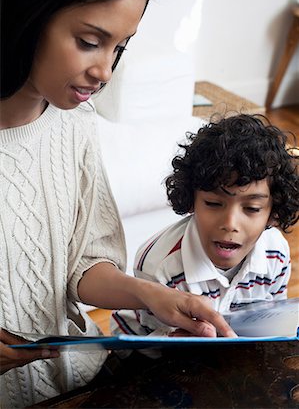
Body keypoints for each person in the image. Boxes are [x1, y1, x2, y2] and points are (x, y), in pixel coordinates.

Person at [0, 0, 236, 407]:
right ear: (27, 13)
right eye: (90, 42)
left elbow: (83, 265)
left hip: (82, 378)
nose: (105, 71)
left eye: (119, 48)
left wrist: (151, 295)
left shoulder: (75, 126)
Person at [111, 113, 299, 343]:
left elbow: (273, 322)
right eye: (213, 203)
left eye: (251, 208)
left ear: (273, 213)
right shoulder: (159, 264)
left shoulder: (277, 254)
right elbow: (152, 347)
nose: (230, 223)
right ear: (191, 200)